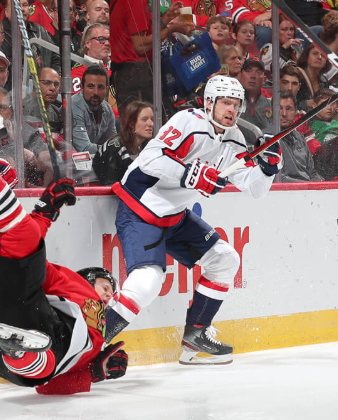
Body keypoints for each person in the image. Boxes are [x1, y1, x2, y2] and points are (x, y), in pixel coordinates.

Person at [107, 75, 281, 365]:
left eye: (236, 104)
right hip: (141, 210)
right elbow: (151, 159)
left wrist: (269, 167)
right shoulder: (188, 121)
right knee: (147, 282)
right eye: (226, 102)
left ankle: (195, 339)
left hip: (175, 217)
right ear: (209, 102)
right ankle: (87, 345)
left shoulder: (234, 138)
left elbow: (255, 190)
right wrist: (191, 173)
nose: (232, 109)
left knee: (225, 259)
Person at [0, 129, 128, 394]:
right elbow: (28, 255)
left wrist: (96, 372)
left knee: (51, 358)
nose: (110, 291)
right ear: (87, 277)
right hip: (29, 319)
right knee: (23, 236)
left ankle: (21, 352)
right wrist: (46, 210)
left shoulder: (95, 343)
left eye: (112, 288)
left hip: (28, 344)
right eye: (104, 283)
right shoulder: (72, 284)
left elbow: (50, 388)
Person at [110, 0, 193, 109]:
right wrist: (172, 29)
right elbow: (140, 45)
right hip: (134, 75)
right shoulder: (135, 2)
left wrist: (167, 17)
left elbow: (148, 34)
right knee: (144, 122)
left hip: (131, 73)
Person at [92, 101, 153, 185]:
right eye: (144, 119)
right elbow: (109, 186)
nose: (150, 124)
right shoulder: (114, 147)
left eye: (152, 119)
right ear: (131, 123)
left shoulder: (148, 147)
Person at [1, 0, 60, 73]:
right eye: (16, 6)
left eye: (25, 5)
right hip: (14, 83)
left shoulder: (40, 30)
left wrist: (52, 77)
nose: (21, 9)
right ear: (6, 12)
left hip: (43, 82)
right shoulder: (0, 34)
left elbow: (56, 56)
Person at [277, 90, 323, 183]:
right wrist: (306, 186)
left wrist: (319, 184)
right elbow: (275, 177)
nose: (284, 114)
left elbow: (312, 172)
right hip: (286, 193)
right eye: (279, 108)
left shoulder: (299, 137)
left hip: (306, 191)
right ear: (271, 110)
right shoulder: (267, 139)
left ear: (295, 111)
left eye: (289, 108)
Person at [71, 65, 116, 154]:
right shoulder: (73, 106)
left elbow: (113, 142)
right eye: (91, 86)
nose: (95, 92)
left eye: (100, 87)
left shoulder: (108, 110)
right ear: (82, 87)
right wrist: (113, 149)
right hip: (70, 162)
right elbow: (84, 148)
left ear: (106, 89)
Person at [71, 23, 110, 95]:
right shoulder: (77, 73)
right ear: (88, 43)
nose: (107, 43)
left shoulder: (116, 69)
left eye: (109, 39)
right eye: (101, 39)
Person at [238, 59, 272, 134]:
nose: (253, 76)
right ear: (239, 75)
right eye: (248, 71)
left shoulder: (269, 105)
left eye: (258, 72)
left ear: (264, 80)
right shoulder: (232, 102)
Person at [295, 44, 331, 111]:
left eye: (323, 55)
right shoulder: (296, 75)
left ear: (326, 61)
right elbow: (287, 103)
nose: (319, 57)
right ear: (306, 56)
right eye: (315, 54)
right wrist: (306, 104)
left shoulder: (324, 81)